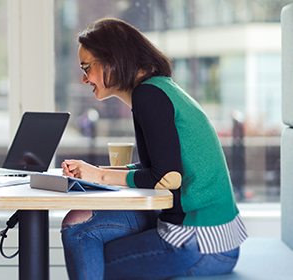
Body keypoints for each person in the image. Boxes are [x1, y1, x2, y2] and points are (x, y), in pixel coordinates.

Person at [60, 18, 247, 280]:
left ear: (113, 59)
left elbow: (167, 177)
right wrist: (93, 171)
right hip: (214, 236)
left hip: (200, 241)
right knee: (77, 221)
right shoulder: (158, 88)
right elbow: (160, 167)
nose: (83, 78)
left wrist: (99, 176)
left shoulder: (148, 95)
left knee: (87, 245)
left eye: (86, 67)